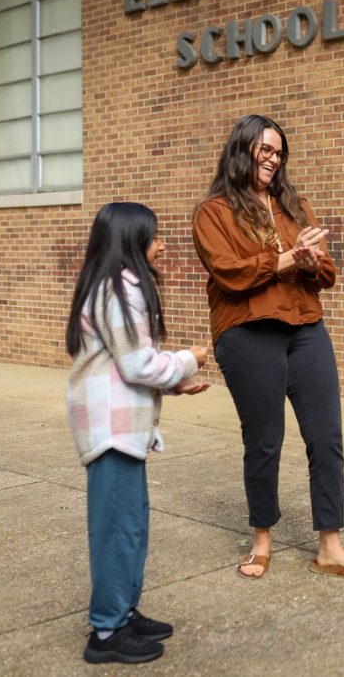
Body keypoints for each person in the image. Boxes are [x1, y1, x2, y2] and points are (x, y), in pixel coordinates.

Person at [192, 114, 344, 582]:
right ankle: (261, 541)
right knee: (265, 439)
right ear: (242, 150)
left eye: (279, 152)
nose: (274, 159)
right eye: (265, 149)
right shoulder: (214, 212)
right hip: (248, 330)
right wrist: (290, 257)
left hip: (306, 327)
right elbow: (229, 273)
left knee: (327, 437)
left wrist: (310, 262)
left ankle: (331, 547)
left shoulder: (295, 205)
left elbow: (326, 274)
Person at [66, 202, 210, 664]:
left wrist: (174, 384)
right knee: (116, 531)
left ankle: (123, 612)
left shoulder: (117, 285)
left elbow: (124, 364)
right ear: (131, 241)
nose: (162, 245)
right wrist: (187, 360)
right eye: (154, 236)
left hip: (122, 427)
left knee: (131, 526)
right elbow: (137, 364)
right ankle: (106, 632)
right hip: (112, 430)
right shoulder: (118, 290)